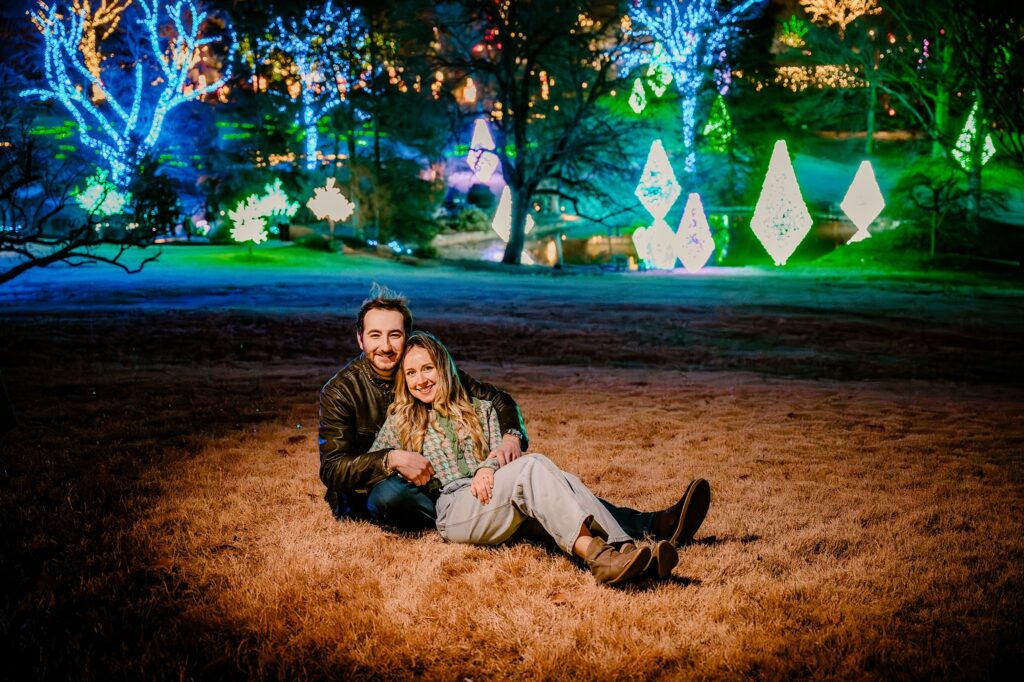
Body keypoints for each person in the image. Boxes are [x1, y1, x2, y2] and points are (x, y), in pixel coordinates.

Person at [317, 286, 711, 548]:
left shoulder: (424, 369)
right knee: (393, 492)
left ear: (408, 337)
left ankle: (648, 525)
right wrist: (390, 459)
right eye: (375, 335)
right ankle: (502, 517)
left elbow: (495, 398)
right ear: (360, 338)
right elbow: (333, 469)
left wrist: (509, 436)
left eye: (395, 335)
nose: (386, 346)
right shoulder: (340, 391)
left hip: (453, 483)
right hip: (391, 493)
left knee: (538, 480)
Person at [373, 331, 685, 584]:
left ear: (444, 368)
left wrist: (487, 469)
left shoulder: (480, 409)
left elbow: (503, 455)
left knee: (564, 479)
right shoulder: (401, 420)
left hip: (493, 492)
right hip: (455, 508)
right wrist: (397, 458)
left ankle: (626, 554)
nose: (421, 379)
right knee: (534, 465)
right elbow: (371, 462)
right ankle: (602, 555)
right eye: (411, 373)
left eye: (427, 368)